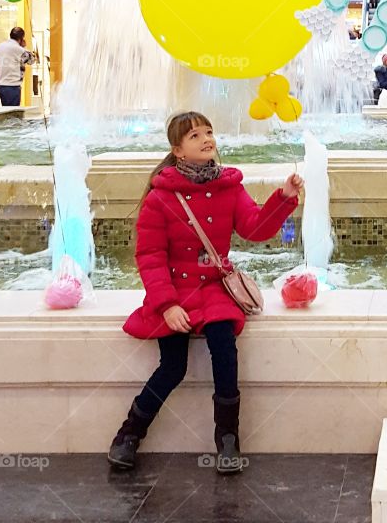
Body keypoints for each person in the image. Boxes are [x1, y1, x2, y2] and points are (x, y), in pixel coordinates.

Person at [108, 111, 303, 473]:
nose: (206, 139)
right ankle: (129, 434)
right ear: (178, 150)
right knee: (173, 366)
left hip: (213, 288)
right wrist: (167, 305)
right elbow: (150, 256)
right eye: (195, 135)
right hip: (174, 290)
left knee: (224, 346)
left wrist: (284, 198)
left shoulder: (229, 186)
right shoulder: (160, 197)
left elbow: (254, 228)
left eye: (209, 132)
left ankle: (228, 438)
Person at [0, 27, 34, 107]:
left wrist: (0, 79)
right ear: (21, 38)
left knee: (5, 111)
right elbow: (31, 60)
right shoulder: (19, 49)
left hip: (1, 86)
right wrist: (24, 47)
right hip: (12, 86)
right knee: (13, 113)